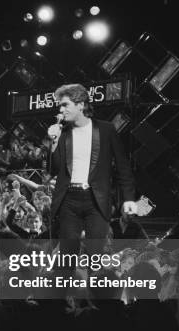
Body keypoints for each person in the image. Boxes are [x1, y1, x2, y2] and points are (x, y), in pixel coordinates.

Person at [47, 84, 137, 256]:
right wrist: (53, 142)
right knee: (66, 259)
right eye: (59, 105)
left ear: (80, 104)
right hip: (68, 200)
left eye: (65, 104)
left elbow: (123, 166)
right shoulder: (63, 133)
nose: (60, 109)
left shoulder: (106, 129)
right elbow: (54, 169)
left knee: (96, 258)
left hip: (96, 200)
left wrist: (128, 198)